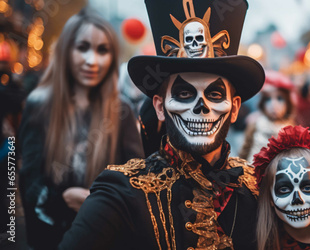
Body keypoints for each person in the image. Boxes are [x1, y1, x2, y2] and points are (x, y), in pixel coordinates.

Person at [59, 0, 265, 249]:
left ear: (234, 108)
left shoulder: (259, 186)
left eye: (215, 94)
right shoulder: (122, 191)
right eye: (184, 94)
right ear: (159, 107)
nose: (202, 107)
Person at [18, 9, 144, 250]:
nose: (92, 60)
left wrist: (100, 203)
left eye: (102, 50)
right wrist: (59, 200)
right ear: (66, 51)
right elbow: (28, 179)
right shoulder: (39, 105)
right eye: (82, 47)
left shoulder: (123, 111)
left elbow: (136, 181)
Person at [239, 70, 295, 161]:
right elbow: (244, 152)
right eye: (268, 99)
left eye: (280, 99)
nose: (274, 105)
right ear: (262, 103)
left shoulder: (291, 130)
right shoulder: (256, 124)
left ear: (288, 103)